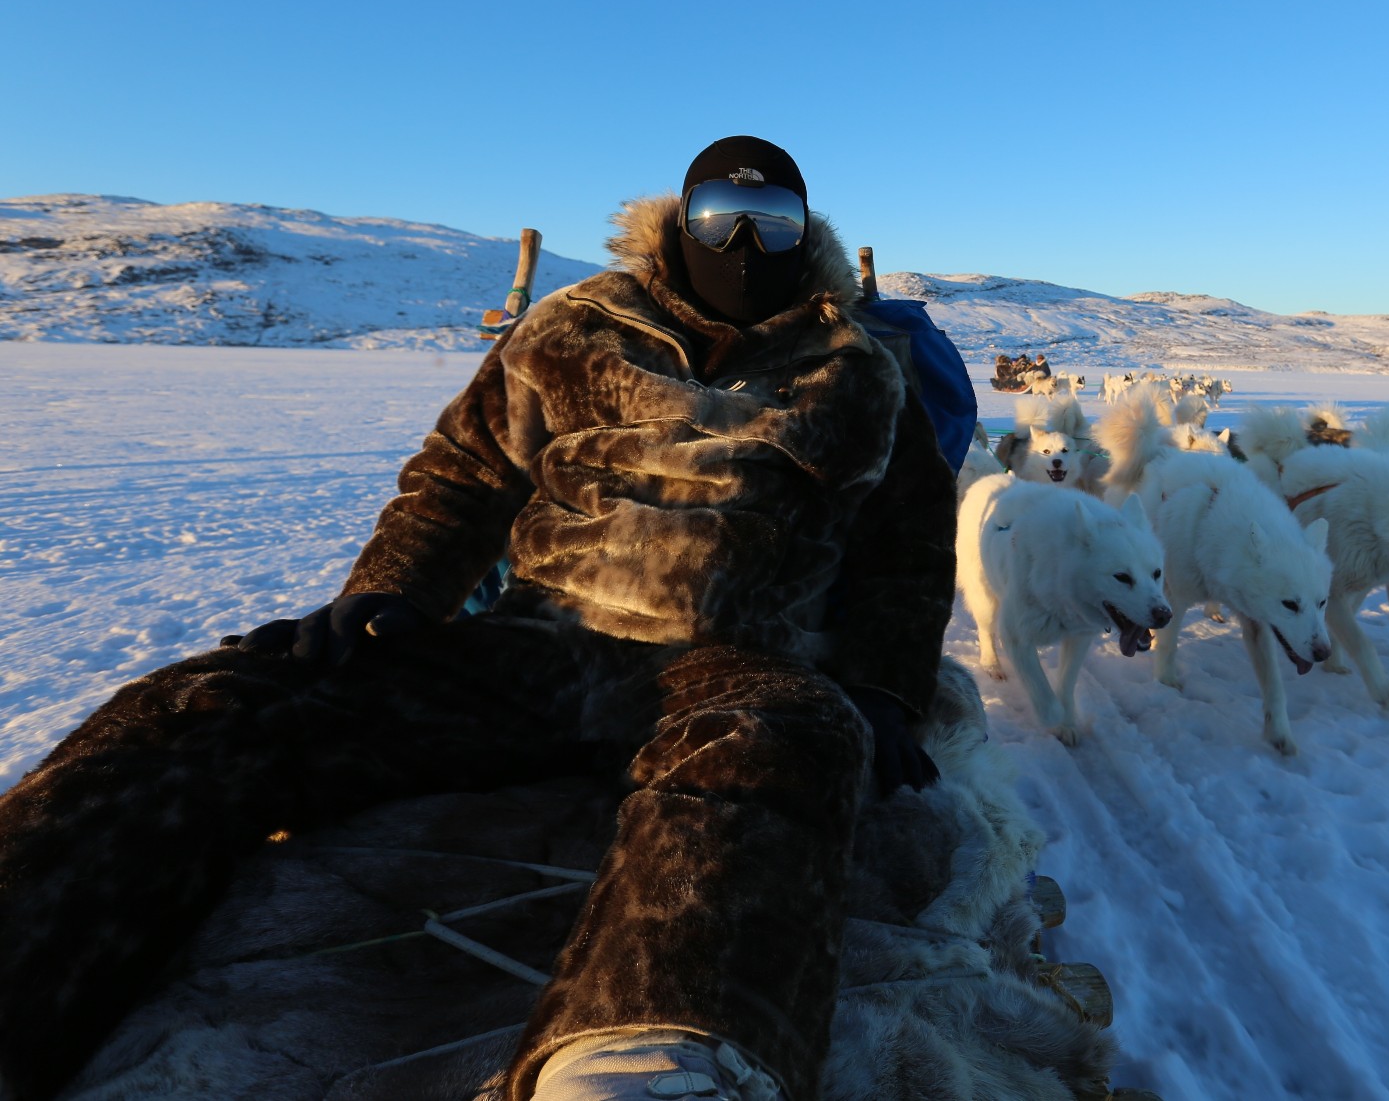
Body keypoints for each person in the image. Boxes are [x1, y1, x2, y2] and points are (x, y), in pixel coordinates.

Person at [0, 137, 958, 1101]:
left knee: (794, 740)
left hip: (736, 660)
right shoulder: (572, 327)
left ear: (807, 234)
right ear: (680, 220)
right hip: (540, 644)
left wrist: (881, 684)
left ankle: (649, 1059)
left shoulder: (857, 371)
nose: (745, 242)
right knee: (211, 699)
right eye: (720, 219)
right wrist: (391, 592)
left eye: (773, 223)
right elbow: (463, 475)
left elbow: (908, 548)